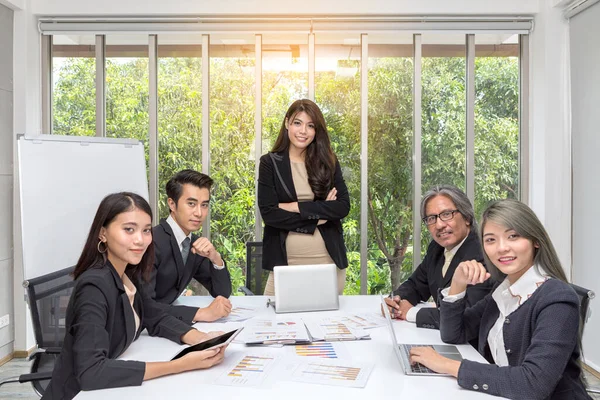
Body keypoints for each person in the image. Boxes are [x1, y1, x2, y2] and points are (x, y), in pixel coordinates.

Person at [42, 192, 226, 400]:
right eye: (129, 229)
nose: (140, 240)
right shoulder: (94, 286)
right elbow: (91, 372)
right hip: (76, 394)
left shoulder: (127, 273)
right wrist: (180, 365)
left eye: (146, 230)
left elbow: (153, 315)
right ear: (102, 233)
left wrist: (200, 339)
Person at [409, 199, 591, 399]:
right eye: (490, 240)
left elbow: (533, 384)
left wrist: (446, 365)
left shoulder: (557, 300)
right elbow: (454, 334)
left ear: (536, 241)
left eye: (513, 236)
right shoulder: (502, 290)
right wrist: (457, 284)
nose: (501, 248)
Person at [258, 99, 350, 296]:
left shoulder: (328, 163)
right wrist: (320, 214)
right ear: (287, 123)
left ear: (316, 131)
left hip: (327, 262)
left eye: (310, 126)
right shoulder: (269, 163)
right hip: (284, 264)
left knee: (324, 324)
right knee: (275, 324)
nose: (303, 131)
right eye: (297, 123)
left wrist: (295, 207)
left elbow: (342, 207)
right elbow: (269, 214)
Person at [383, 185, 494, 329]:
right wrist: (394, 301)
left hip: (473, 347)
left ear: (467, 217)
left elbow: (465, 315)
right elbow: (416, 285)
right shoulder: (436, 248)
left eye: (447, 214)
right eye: (431, 218)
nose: (439, 225)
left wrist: (410, 313)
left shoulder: (483, 252)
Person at [147, 170, 232, 324]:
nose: (199, 213)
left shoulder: (194, 243)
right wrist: (201, 313)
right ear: (172, 204)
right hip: (144, 330)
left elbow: (222, 292)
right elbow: (145, 306)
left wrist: (215, 258)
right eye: (191, 204)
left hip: (166, 323)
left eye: (204, 205)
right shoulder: (151, 242)